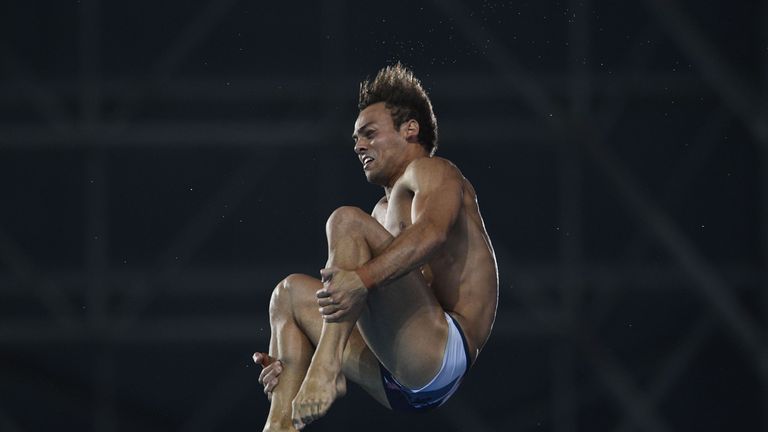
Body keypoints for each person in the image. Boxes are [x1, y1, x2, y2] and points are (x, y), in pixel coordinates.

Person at [252, 62, 498, 431]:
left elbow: (433, 233)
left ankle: (327, 367)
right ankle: (281, 423)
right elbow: (356, 303)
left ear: (410, 129)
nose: (359, 146)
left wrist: (361, 280)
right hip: (396, 377)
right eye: (355, 139)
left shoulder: (434, 172)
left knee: (345, 220)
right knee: (286, 295)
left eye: (369, 133)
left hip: (440, 350)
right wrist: (288, 369)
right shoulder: (381, 213)